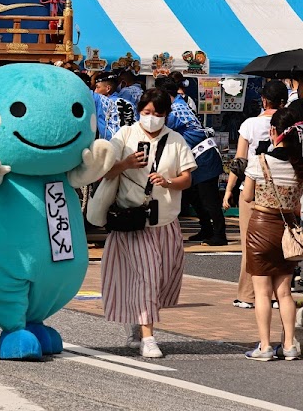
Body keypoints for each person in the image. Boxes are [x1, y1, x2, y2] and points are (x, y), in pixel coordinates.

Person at [98, 87, 196, 359]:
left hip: (165, 221)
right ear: (139, 111)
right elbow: (104, 170)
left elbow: (187, 177)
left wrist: (169, 182)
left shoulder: (175, 139)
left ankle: (137, 324)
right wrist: (126, 163)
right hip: (133, 220)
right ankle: (148, 337)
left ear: (166, 115)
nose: (151, 118)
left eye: (157, 113)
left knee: (161, 278)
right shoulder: (125, 135)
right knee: (147, 276)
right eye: (146, 112)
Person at [242, 104, 303, 360]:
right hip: (288, 230)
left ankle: (265, 346)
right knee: (285, 291)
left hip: (261, 228)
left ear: (274, 131)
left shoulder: (259, 161)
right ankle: (289, 345)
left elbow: (246, 196)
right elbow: (297, 205)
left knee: (262, 291)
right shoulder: (299, 166)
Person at [223, 78, 289, 310]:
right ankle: (277, 295)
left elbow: (240, 161)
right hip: (283, 190)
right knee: (279, 243)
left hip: (253, 188)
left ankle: (247, 295)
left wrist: (229, 189)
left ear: (263, 100)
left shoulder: (250, 124)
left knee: (250, 244)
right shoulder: (291, 124)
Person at [156, 75, 227, 247]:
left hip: (204, 155)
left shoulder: (176, 108)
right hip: (196, 156)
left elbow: (160, 128)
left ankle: (219, 234)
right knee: (194, 196)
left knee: (209, 199)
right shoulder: (178, 104)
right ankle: (206, 229)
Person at [93, 72, 134, 141]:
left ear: (108, 88)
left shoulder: (102, 102)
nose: (95, 91)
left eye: (97, 87)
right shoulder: (130, 104)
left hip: (109, 145)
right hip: (129, 145)